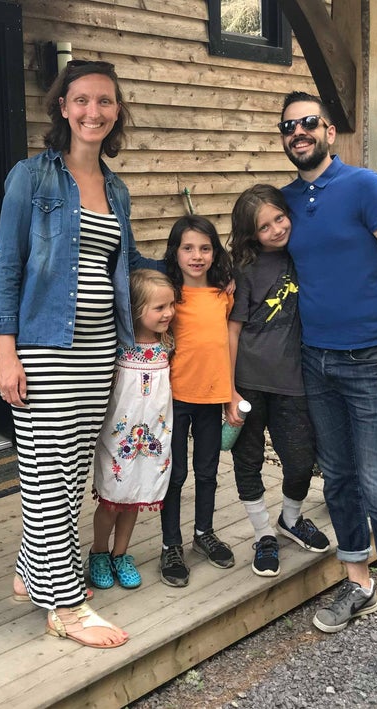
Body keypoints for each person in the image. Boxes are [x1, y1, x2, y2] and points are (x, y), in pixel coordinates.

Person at [0, 60, 162, 649]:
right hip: (44, 347)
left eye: (105, 102)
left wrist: (197, 285)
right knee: (49, 474)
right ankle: (66, 605)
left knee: (68, 471)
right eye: (81, 100)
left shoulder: (116, 189)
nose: (93, 112)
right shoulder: (30, 179)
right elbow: (7, 266)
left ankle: (33, 573)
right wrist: (7, 353)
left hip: (100, 349)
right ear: (63, 107)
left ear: (117, 111)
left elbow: (126, 268)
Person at [278, 91, 377, 688]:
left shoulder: (365, 186)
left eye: (309, 122)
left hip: (373, 361)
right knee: (337, 480)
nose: (299, 132)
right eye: (289, 126)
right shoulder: (287, 202)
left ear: (329, 130)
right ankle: (357, 583)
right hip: (316, 362)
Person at [225, 184, 330, 578]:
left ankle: (290, 518)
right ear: (251, 234)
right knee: (248, 461)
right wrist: (229, 389)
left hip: (294, 380)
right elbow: (232, 331)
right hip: (248, 382)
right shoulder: (246, 270)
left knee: (301, 459)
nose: (275, 230)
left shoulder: (303, 254)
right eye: (264, 226)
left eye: (279, 219)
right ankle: (262, 533)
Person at [159, 214, 235, 587]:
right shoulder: (168, 296)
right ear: (175, 253)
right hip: (174, 398)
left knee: (207, 472)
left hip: (212, 396)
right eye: (188, 248)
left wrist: (232, 393)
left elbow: (229, 342)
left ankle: (204, 532)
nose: (197, 255)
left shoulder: (224, 294)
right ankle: (170, 544)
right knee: (175, 475)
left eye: (205, 248)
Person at [89, 269, 175, 590]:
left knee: (135, 499)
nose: (168, 313)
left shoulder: (167, 345)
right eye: (159, 307)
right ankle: (98, 551)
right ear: (135, 308)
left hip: (154, 437)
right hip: (119, 439)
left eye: (171, 305)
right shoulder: (118, 348)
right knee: (112, 500)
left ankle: (121, 553)